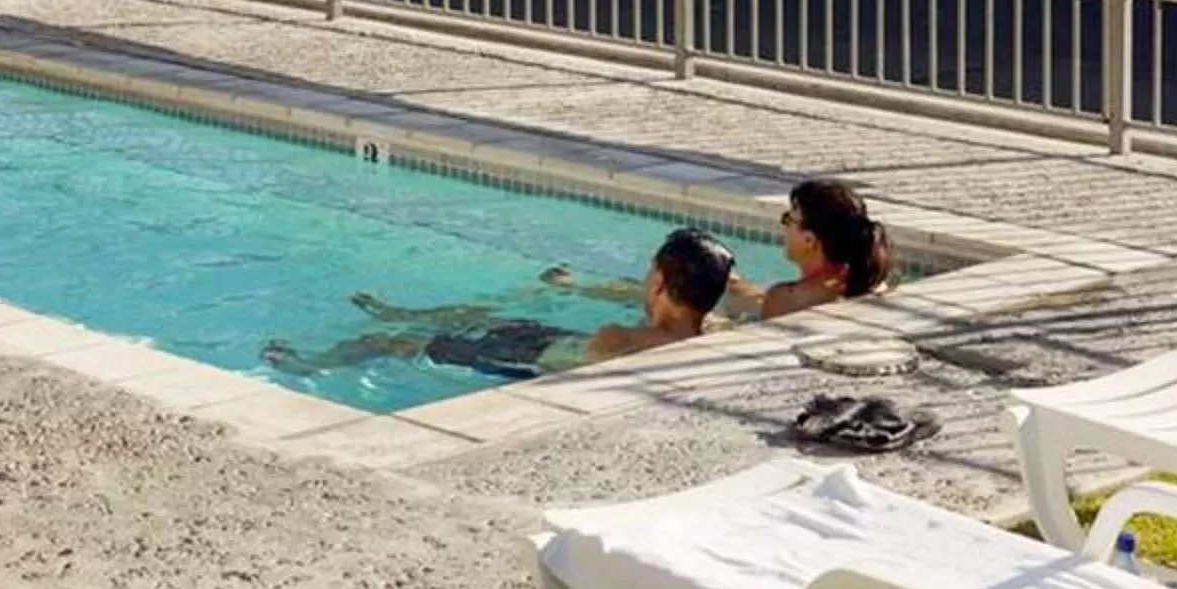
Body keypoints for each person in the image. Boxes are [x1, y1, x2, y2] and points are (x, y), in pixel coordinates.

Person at [267, 228, 736, 382]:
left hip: (524, 360)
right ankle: (400, 312)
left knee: (391, 343)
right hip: (549, 343)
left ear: (658, 282)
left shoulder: (619, 338)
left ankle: (312, 366)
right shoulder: (712, 330)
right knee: (483, 317)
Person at [732, 179, 893, 321]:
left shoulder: (784, 299)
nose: (784, 227)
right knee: (745, 295)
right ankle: (732, 282)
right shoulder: (874, 284)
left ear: (809, 240)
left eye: (789, 219)